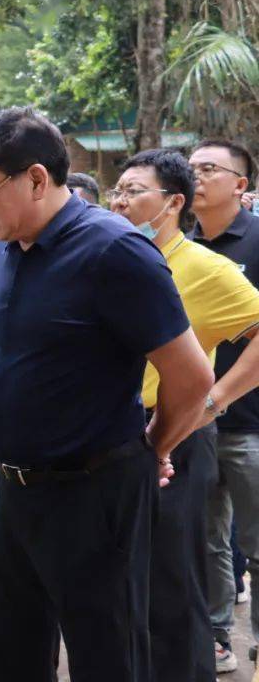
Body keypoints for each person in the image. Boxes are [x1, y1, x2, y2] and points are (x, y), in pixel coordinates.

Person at [0, 107, 211, 681]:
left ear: (36, 179)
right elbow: (20, 352)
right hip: (10, 488)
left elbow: (191, 378)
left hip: (93, 495)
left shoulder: (114, 252)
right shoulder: (9, 249)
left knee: (107, 654)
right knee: (11, 651)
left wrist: (155, 448)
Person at [108, 148, 259, 682]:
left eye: (133, 192)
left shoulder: (205, 267)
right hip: (114, 434)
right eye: (117, 192)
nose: (119, 202)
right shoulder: (111, 259)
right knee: (123, 578)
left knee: (173, 579)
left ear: (174, 203)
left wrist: (214, 401)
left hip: (176, 430)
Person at [187, 138, 259, 676]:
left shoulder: (257, 241)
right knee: (207, 539)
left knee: (256, 544)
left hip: (250, 422)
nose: (195, 176)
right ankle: (215, 635)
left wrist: (218, 397)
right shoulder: (181, 245)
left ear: (240, 184)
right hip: (192, 422)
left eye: (208, 168)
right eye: (189, 168)